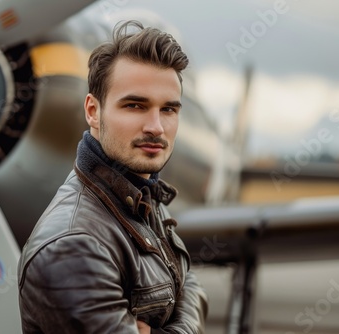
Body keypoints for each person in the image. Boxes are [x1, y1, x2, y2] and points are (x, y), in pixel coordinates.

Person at [18, 20, 208, 334]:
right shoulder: (72, 245)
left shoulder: (143, 197)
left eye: (169, 109)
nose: (156, 127)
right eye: (135, 105)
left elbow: (190, 284)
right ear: (93, 111)